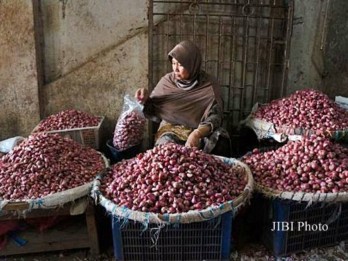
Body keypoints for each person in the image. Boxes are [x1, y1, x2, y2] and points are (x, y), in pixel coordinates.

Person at [135, 40, 231, 156]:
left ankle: (209, 171)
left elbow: (216, 116)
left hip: (200, 131)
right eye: (173, 63)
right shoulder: (167, 81)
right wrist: (145, 99)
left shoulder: (209, 84)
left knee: (221, 139)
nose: (175, 69)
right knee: (165, 151)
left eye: (180, 65)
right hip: (172, 129)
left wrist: (197, 134)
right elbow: (152, 108)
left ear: (192, 65)